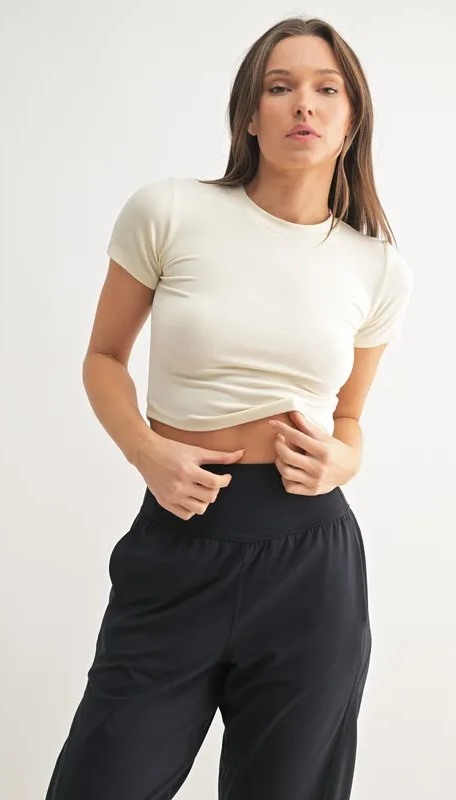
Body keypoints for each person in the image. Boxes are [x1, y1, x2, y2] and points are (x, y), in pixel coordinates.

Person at [44, 15, 413, 800]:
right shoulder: (169, 212)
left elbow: (349, 418)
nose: (302, 104)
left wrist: (344, 458)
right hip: (178, 540)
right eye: (279, 87)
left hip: (309, 563)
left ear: (352, 119)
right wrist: (147, 452)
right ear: (249, 113)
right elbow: (103, 358)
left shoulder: (377, 268)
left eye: (325, 89)